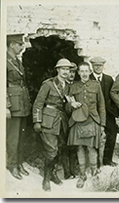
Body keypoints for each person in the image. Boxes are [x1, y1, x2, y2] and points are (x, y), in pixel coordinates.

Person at [33, 58, 74, 191]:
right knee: (51, 151)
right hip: (48, 120)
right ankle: (46, 178)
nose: (66, 72)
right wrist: (37, 121)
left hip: (62, 122)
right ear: (57, 70)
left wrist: (72, 105)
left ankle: (53, 173)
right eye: (63, 69)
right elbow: (38, 103)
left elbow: (66, 107)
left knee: (60, 148)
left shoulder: (68, 86)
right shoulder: (49, 84)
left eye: (68, 69)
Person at [67, 61, 106, 189]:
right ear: (78, 73)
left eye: (86, 71)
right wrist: (71, 105)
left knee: (91, 148)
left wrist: (102, 125)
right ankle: (82, 175)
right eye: (81, 71)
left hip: (92, 119)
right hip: (78, 120)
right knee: (79, 148)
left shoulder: (96, 85)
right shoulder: (73, 87)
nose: (84, 74)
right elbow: (67, 106)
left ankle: (94, 173)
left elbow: (101, 105)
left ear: (90, 72)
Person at [6, 34, 31, 180]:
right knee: (13, 136)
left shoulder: (16, 60)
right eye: (19, 44)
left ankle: (19, 162)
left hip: (22, 103)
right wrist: (6, 106)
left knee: (21, 135)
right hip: (13, 105)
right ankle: (12, 164)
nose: (22, 47)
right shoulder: (4, 60)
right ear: (11, 44)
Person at [90, 56, 119, 167]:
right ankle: (96, 163)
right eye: (96, 66)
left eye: (100, 65)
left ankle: (107, 160)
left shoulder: (109, 79)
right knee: (96, 137)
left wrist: (114, 111)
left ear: (103, 66)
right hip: (94, 114)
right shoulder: (88, 79)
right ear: (92, 66)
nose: (98, 68)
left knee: (112, 134)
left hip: (108, 114)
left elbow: (113, 95)